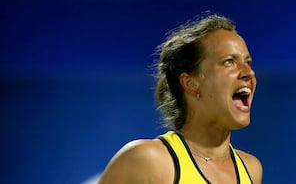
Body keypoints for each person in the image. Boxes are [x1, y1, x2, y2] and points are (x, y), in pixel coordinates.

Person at [99, 13, 263, 184]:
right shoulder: (148, 161)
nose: (249, 73)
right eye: (229, 61)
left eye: (248, 62)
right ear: (190, 83)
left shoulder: (251, 170)